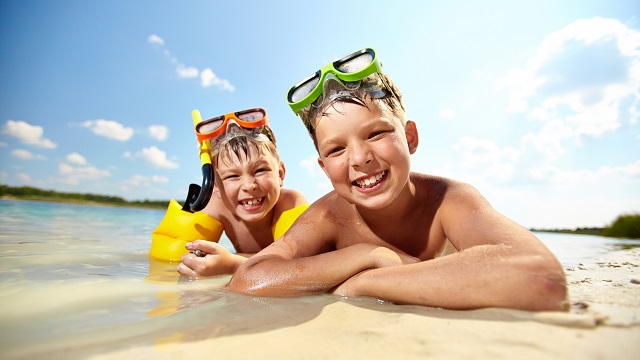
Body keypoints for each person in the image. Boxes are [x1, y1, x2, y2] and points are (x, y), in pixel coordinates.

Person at [227, 48, 569, 311]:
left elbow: (540, 277)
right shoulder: (327, 216)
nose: (360, 159)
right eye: (336, 150)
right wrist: (365, 254)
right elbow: (249, 279)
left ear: (410, 137)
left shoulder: (449, 201)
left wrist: (364, 284)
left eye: (376, 133)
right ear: (323, 168)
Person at [176, 107, 308, 279]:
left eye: (260, 170)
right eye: (232, 176)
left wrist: (233, 264)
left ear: (280, 174)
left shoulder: (291, 202)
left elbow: (302, 265)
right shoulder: (214, 208)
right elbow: (178, 263)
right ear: (215, 185)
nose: (249, 185)